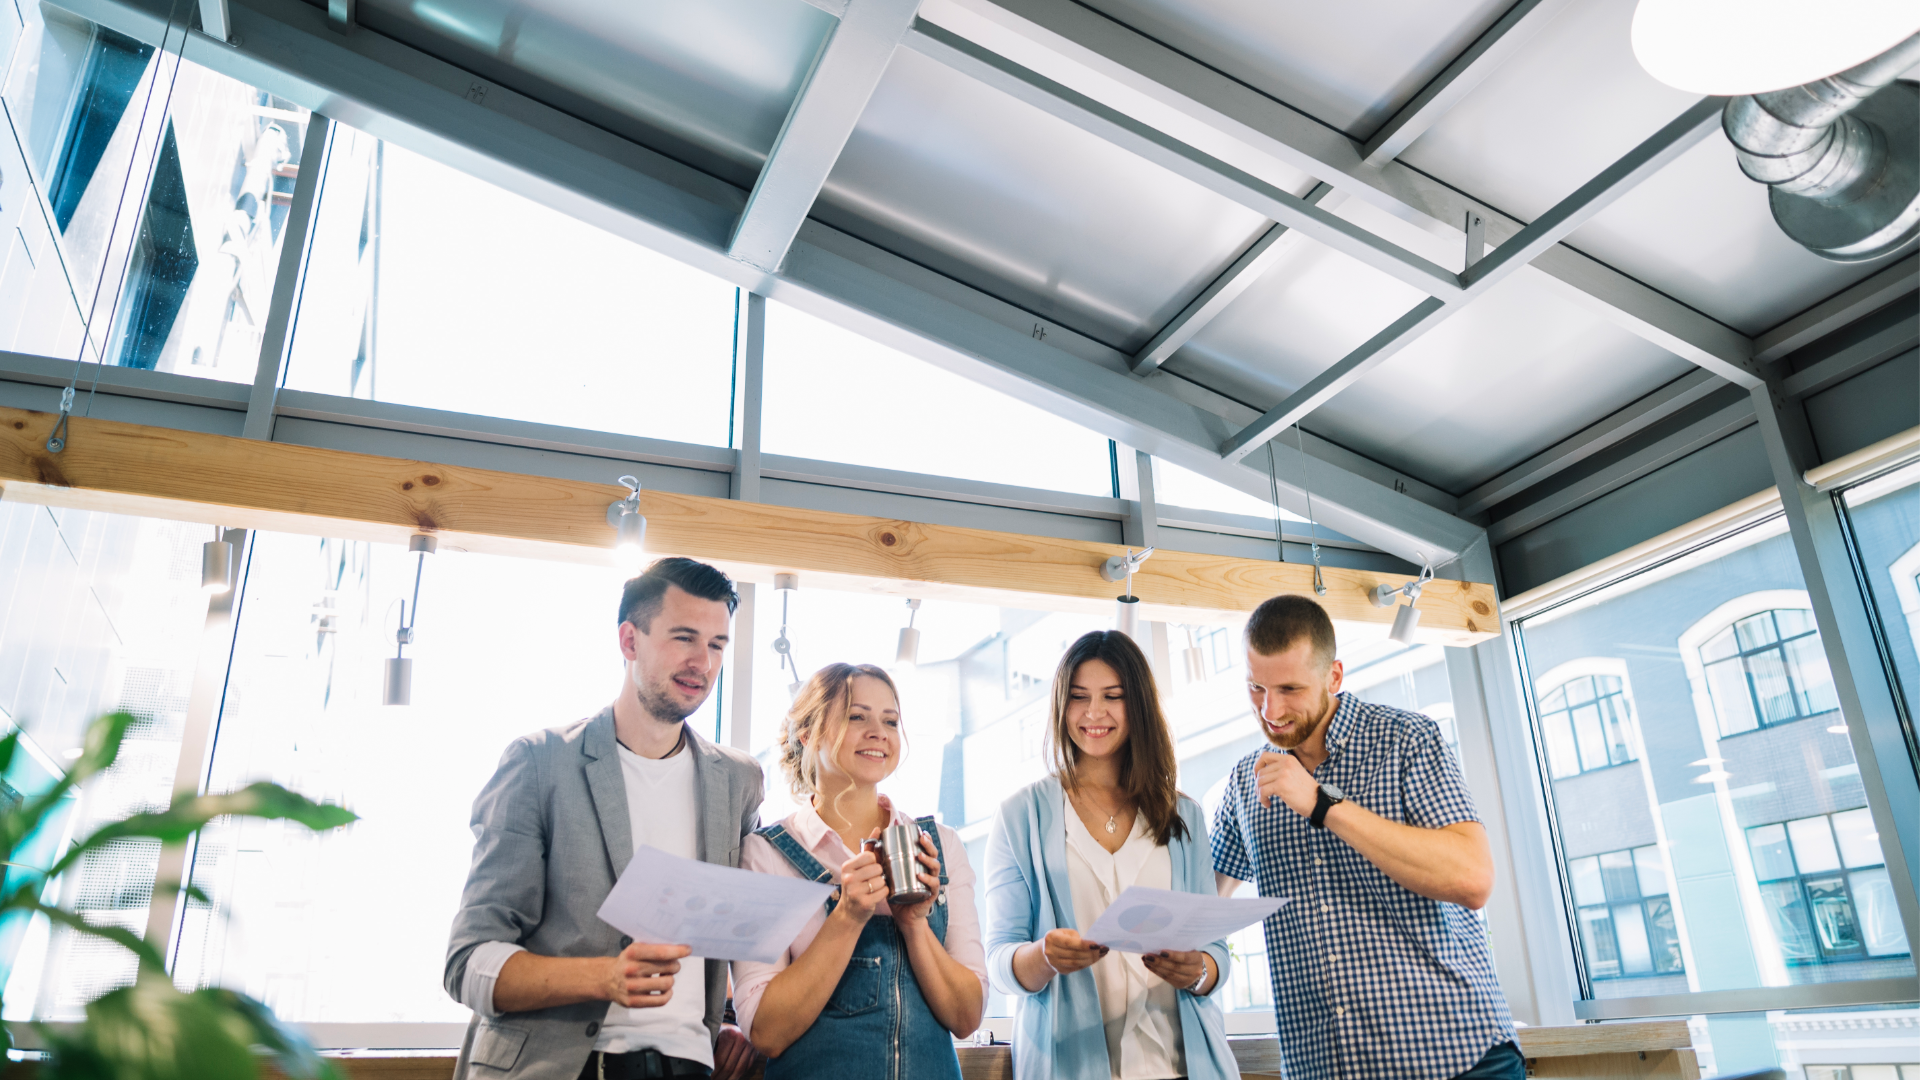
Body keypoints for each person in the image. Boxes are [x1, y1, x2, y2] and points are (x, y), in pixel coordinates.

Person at [444, 557, 764, 1080]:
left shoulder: (739, 780)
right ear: (629, 641)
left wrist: (733, 1020)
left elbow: (731, 932)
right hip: (559, 1067)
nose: (701, 663)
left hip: (688, 1067)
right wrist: (604, 978)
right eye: (683, 638)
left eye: (716, 645)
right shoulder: (539, 762)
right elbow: (467, 963)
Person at [1211, 594, 1518, 1080]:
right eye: (1256, 688)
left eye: (1289, 688)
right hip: (1327, 1069)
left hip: (1457, 1059)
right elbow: (1203, 905)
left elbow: (1473, 877)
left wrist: (1321, 804)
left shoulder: (1407, 740)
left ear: (1333, 676)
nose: (1270, 710)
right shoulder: (1245, 782)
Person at [985, 630, 1240, 1080]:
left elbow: (1213, 952)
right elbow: (999, 964)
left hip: (1182, 1067)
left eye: (1113, 696)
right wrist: (1043, 958)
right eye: (1079, 697)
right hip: (1071, 1066)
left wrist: (1198, 969)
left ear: (1137, 705)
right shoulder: (1019, 816)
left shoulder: (1185, 816)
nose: (1094, 713)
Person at [733, 663, 985, 1079]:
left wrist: (915, 925)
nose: (879, 732)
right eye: (856, 716)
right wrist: (848, 916)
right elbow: (766, 1030)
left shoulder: (941, 846)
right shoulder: (766, 855)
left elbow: (967, 1016)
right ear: (807, 734)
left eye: (890, 720)